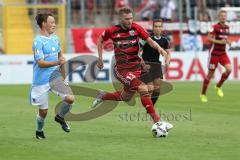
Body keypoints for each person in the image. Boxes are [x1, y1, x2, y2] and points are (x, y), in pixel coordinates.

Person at [92, 7, 173, 130]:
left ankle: (103, 96)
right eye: (127, 19)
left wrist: (160, 49)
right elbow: (100, 40)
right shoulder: (112, 31)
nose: (130, 21)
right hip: (122, 69)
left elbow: (150, 41)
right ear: (120, 19)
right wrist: (100, 58)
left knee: (126, 97)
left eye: (131, 18)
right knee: (143, 89)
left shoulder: (137, 28)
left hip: (136, 67)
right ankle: (158, 122)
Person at [30, 13, 75, 139]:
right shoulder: (37, 42)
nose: (54, 25)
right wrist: (57, 62)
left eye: (55, 22)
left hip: (55, 78)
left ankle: (60, 117)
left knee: (70, 98)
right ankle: (39, 130)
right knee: (43, 112)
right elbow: (41, 63)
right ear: (44, 24)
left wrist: (63, 77)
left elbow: (61, 57)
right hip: (41, 81)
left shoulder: (56, 39)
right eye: (52, 22)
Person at [200, 10, 231, 103]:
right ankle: (203, 94)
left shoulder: (227, 27)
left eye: (224, 16)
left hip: (223, 53)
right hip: (214, 54)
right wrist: (220, 42)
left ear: (226, 17)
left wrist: (228, 41)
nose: (223, 17)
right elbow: (208, 39)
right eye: (221, 16)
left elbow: (224, 38)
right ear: (219, 17)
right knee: (210, 75)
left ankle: (218, 86)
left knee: (229, 69)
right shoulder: (214, 27)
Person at [140, 19, 171, 107]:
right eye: (156, 26)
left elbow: (168, 53)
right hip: (146, 65)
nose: (158, 28)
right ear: (153, 28)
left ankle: (151, 107)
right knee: (150, 89)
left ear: (162, 28)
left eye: (159, 26)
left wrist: (167, 61)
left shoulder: (164, 40)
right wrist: (143, 64)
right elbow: (138, 52)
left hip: (156, 65)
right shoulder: (147, 38)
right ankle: (147, 105)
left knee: (157, 89)